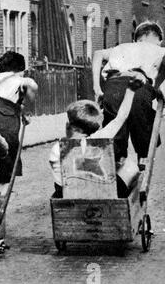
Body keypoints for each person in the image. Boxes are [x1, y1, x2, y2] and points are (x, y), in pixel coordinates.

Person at [49, 70, 148, 199]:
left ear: (68, 124)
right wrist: (130, 90)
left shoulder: (57, 149)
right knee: (129, 166)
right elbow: (121, 117)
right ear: (94, 128)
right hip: (104, 193)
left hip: (69, 196)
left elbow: (59, 183)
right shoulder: (101, 138)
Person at [92, 21, 165, 164]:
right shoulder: (160, 50)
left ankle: (117, 161)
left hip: (113, 85)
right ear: (159, 40)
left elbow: (98, 54)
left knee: (114, 129)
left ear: (135, 39)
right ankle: (143, 159)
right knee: (143, 123)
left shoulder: (122, 47)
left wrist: (96, 87)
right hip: (139, 85)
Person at [0, 51, 38, 195]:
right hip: (6, 130)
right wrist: (26, 111)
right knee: (5, 177)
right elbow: (32, 86)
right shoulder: (21, 80)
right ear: (21, 70)